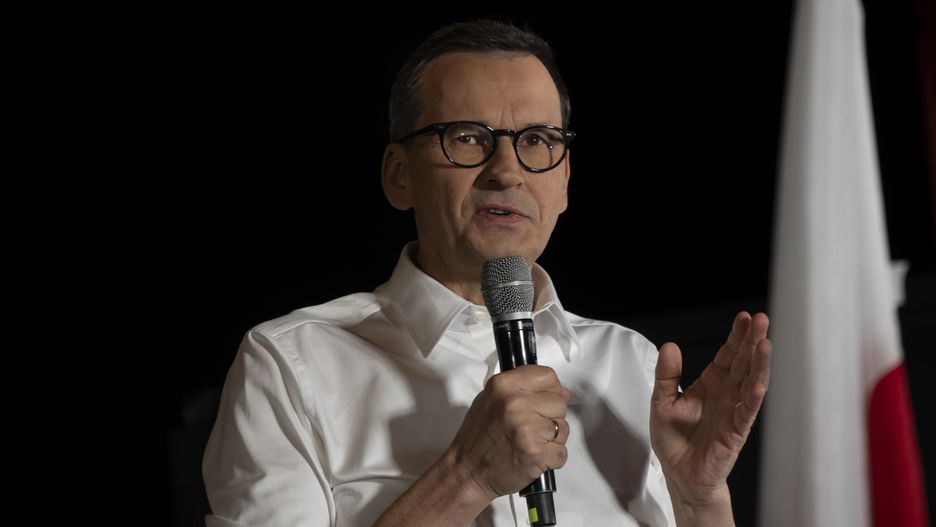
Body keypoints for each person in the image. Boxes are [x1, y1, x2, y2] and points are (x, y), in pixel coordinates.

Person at [203, 18, 773, 527]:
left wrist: (699, 503)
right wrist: (465, 477)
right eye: (468, 138)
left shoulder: (634, 365)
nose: (507, 171)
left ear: (565, 181)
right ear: (399, 175)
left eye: (537, 141)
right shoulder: (289, 367)